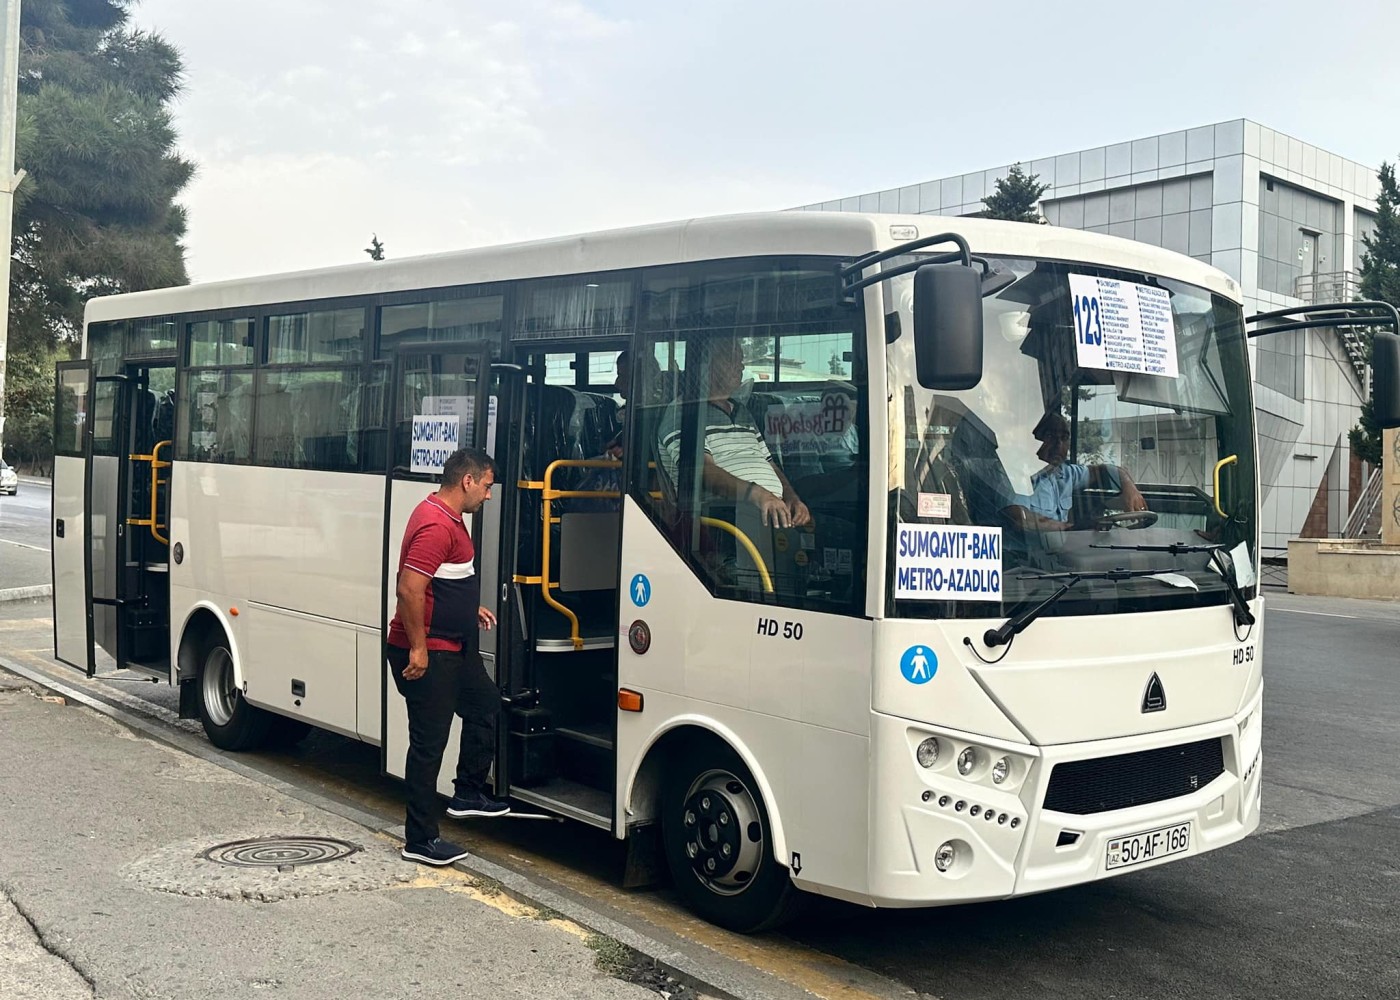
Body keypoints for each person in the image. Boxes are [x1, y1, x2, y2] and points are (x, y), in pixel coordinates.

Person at [387, 446, 509, 867]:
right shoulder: (437, 524)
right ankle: (420, 840)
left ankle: (468, 792)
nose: (489, 496)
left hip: (456, 645)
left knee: (487, 706)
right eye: (488, 486)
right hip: (430, 652)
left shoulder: (452, 519)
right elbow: (408, 588)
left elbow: (439, 580)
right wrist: (418, 648)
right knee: (428, 744)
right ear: (468, 481)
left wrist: (465, 607)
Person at [659, 336, 811, 528]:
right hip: (722, 519)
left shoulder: (742, 412)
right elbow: (701, 470)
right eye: (731, 360)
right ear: (706, 364)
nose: (740, 367)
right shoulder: (683, 411)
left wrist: (792, 497)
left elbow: (769, 463)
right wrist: (756, 494)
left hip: (769, 510)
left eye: (740, 361)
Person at [1002, 411, 1147, 531]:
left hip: (1059, 557)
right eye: (1050, 436)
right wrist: (1070, 529)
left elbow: (1104, 471)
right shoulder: (1017, 475)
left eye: (1064, 438)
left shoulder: (1067, 474)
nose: (1058, 444)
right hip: (1021, 559)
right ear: (1033, 439)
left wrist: (1129, 487)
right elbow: (1018, 518)